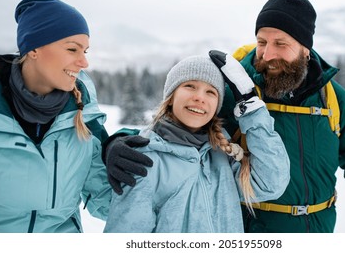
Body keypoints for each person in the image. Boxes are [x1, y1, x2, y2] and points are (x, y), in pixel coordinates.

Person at [104, 0, 345, 233]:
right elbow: (183, 122)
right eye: (262, 42)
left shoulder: (334, 100)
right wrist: (116, 142)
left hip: (317, 231)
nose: (268, 54)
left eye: (281, 44)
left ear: (305, 49)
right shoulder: (235, 88)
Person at [103, 52, 290, 232]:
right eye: (190, 86)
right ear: (170, 97)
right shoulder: (145, 159)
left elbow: (271, 183)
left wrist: (251, 105)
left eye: (211, 92)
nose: (199, 97)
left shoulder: (222, 155)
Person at [0, 0, 111, 232]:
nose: (84, 63)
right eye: (72, 49)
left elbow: (111, 200)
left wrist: (127, 147)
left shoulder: (85, 120)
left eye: (85, 52)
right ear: (34, 48)